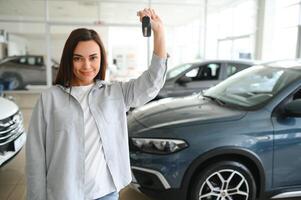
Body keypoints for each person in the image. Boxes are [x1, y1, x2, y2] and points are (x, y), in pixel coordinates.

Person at [26, 8, 167, 200]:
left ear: (101, 59)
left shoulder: (115, 93)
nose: (86, 66)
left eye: (93, 58)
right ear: (69, 59)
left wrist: (159, 33)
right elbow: (35, 157)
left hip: (105, 192)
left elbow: (152, 83)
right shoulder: (49, 99)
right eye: (78, 58)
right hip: (63, 194)